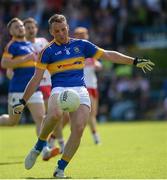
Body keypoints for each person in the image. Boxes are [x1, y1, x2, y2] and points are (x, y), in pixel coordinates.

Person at [13, 14, 154, 178]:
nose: (61, 33)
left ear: (68, 28)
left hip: (80, 90)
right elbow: (36, 78)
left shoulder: (82, 45)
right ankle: (39, 146)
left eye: (64, 29)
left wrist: (134, 61)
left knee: (79, 129)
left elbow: (108, 54)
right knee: (56, 114)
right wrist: (23, 101)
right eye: (57, 31)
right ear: (51, 32)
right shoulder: (47, 51)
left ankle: (60, 169)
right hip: (59, 89)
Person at [0, 18, 45, 136]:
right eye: (16, 27)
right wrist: (25, 59)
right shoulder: (12, 46)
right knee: (12, 121)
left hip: (34, 88)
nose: (20, 28)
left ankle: (44, 149)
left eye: (21, 26)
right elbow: (4, 63)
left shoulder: (30, 44)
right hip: (18, 90)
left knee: (41, 118)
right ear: (10, 32)